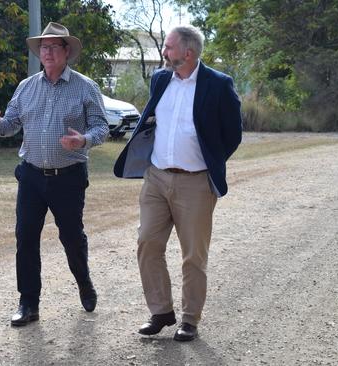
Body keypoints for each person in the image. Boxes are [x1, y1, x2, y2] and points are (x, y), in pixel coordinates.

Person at [114, 25, 242, 341]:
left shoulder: (218, 85)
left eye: (169, 47)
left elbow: (233, 134)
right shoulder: (160, 79)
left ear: (188, 52)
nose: (164, 52)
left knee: (193, 256)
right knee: (147, 243)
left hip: (196, 184)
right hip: (156, 179)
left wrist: (209, 159)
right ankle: (160, 311)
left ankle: (190, 320)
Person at [0, 22, 109, 326]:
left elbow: (102, 127)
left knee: (71, 237)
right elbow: (10, 125)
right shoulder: (26, 87)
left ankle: (84, 282)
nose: (48, 52)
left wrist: (84, 140)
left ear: (67, 51)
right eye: (44, 47)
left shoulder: (85, 86)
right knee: (25, 237)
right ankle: (28, 303)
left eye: (54, 46)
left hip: (68, 177)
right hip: (31, 177)